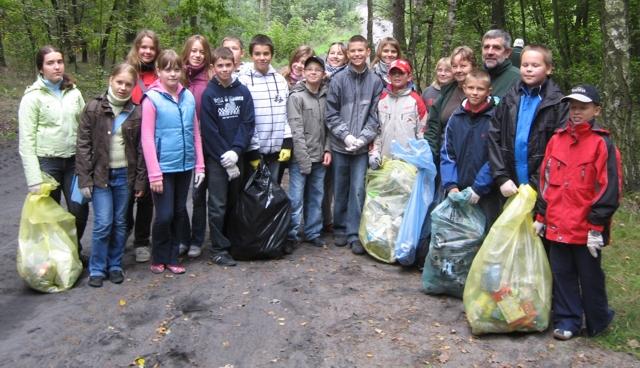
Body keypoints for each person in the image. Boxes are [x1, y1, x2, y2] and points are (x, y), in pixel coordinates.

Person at [535, 85, 622, 340]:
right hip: (557, 223)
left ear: (596, 110)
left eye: (583, 107)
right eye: (573, 107)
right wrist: (542, 217)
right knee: (562, 274)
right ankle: (567, 320)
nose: (576, 112)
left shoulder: (602, 144)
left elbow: (610, 189)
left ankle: (598, 319)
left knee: (590, 276)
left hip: (585, 228)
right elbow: (545, 181)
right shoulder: (557, 139)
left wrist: (597, 226)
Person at [75, 63, 147, 287]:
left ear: (134, 86)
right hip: (101, 177)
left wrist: (140, 180)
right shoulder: (93, 109)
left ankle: (115, 265)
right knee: (103, 223)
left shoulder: (136, 112)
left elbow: (141, 149)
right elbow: (83, 145)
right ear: (110, 80)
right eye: (119, 82)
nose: (123, 88)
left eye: (128, 84)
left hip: (124, 176)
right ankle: (97, 268)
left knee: (119, 222)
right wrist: (84, 178)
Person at [18, 45, 89, 258]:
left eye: (59, 61)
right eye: (50, 63)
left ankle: (73, 251)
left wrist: (89, 160)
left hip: (74, 162)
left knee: (79, 208)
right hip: (47, 164)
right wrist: (34, 180)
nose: (56, 66)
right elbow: (26, 141)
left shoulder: (73, 92)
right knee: (50, 214)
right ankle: (57, 259)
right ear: (41, 68)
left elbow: (85, 126)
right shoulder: (32, 97)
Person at [140, 49, 205, 275]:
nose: (172, 74)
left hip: (185, 165)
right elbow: (147, 138)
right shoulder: (151, 99)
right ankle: (159, 255)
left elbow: (195, 132)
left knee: (179, 211)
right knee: (164, 214)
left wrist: (200, 165)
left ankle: (173, 256)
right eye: (167, 69)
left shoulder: (187, 96)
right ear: (158, 71)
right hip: (163, 168)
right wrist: (154, 174)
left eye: (176, 69)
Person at [488, 44, 569, 217]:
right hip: (510, 183)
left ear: (548, 69)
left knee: (538, 237)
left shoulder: (558, 103)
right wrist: (501, 176)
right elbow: (494, 135)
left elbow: (559, 149)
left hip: (541, 187)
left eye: (535, 65)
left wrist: (535, 183)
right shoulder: (510, 98)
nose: (529, 70)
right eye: (525, 65)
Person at [326, 35, 384, 255]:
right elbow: (331, 113)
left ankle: (354, 233)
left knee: (358, 189)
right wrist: (346, 136)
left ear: (367, 51)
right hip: (341, 146)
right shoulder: (338, 79)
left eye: (361, 50)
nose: (357, 54)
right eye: (353, 51)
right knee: (340, 188)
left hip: (361, 148)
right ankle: (340, 228)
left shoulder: (375, 81)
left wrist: (363, 138)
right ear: (348, 53)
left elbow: (376, 115)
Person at [200, 46, 255, 267]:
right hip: (216, 159)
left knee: (234, 201)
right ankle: (217, 248)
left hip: (237, 155)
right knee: (217, 204)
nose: (224, 69)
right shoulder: (209, 94)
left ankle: (232, 242)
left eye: (228, 65)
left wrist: (236, 150)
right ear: (213, 68)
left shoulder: (242, 91)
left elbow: (247, 122)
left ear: (234, 65)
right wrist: (224, 156)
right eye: (220, 66)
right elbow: (209, 130)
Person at [440, 69, 500, 227]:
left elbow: (496, 156)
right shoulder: (456, 117)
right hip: (458, 189)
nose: (475, 93)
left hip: (486, 191)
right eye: (471, 88)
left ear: (489, 91)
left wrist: (479, 187)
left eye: (480, 89)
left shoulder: (496, 118)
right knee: (458, 235)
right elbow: (447, 152)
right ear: (464, 88)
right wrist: (451, 185)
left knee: (484, 232)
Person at [286, 55, 331, 251]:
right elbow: (295, 129)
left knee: (316, 196)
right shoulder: (296, 97)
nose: (313, 72)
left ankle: (313, 231)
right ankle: (292, 233)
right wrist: (303, 159)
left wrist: (328, 149)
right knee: (296, 198)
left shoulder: (326, 96)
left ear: (323, 74)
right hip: (300, 158)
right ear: (303, 73)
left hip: (320, 156)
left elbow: (330, 126)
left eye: (317, 70)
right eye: (309, 69)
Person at [125, 29, 160, 263]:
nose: (147, 51)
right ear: (137, 48)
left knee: (146, 194)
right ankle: (122, 230)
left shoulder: (159, 74)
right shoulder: (126, 72)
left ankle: (141, 240)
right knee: (125, 191)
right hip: (126, 141)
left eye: (151, 48)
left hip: (150, 140)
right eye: (143, 47)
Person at [238, 34, 292, 184]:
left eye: (266, 53)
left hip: (276, 152)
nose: (262, 58)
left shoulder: (280, 81)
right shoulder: (243, 81)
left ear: (272, 55)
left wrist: (287, 142)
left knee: (273, 197)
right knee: (253, 200)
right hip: (253, 153)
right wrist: (252, 151)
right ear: (251, 55)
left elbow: (286, 114)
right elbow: (244, 120)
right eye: (257, 54)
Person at [181, 34, 213, 259]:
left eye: (201, 51)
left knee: (199, 194)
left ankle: (197, 239)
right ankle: (182, 236)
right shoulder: (177, 76)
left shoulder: (209, 78)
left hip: (205, 145)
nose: (197, 55)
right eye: (193, 50)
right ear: (187, 52)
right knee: (180, 196)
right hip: (180, 146)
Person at [369, 59, 427, 170]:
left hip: (409, 163)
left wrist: (421, 157)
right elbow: (377, 130)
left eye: (401, 73)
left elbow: (422, 132)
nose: (397, 76)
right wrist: (374, 153)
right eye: (393, 73)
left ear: (409, 77)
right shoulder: (382, 99)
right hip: (384, 161)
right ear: (388, 76)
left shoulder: (416, 100)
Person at [424, 46, 477, 163]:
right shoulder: (446, 92)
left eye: (463, 66)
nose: (458, 70)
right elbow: (433, 125)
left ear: (473, 67)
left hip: (471, 159)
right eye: (454, 66)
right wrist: (430, 154)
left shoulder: (479, 93)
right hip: (445, 158)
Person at [322, 41, 349, 233]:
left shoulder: (348, 77)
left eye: (340, 53)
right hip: (320, 132)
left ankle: (338, 220)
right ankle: (323, 219)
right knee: (322, 182)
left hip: (340, 134)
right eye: (332, 53)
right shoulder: (319, 75)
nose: (336, 56)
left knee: (338, 181)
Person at [481, 29, 520, 99]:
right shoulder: (476, 75)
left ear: (507, 52)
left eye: (496, 48)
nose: (490, 52)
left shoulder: (518, 79)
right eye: (486, 47)